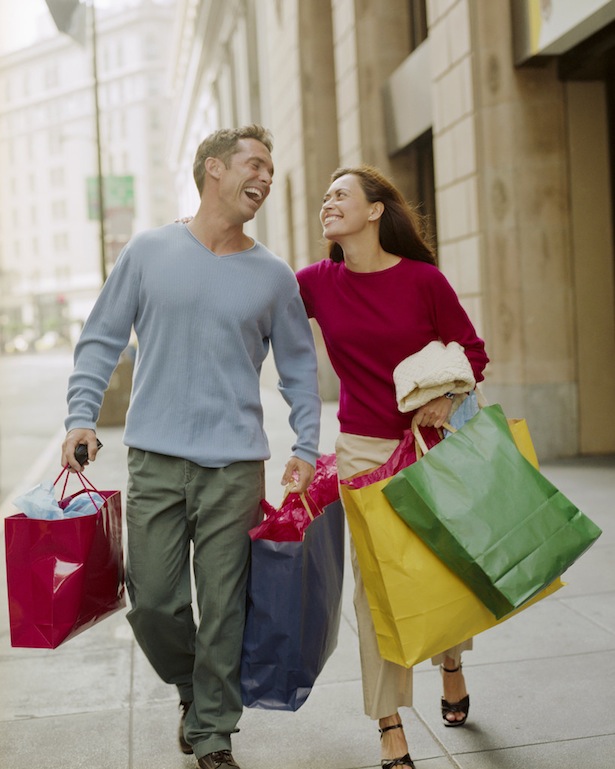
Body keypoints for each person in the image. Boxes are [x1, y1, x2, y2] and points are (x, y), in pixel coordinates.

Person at [61, 125, 321, 769]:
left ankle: (213, 732)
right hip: (155, 459)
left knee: (226, 604)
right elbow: (100, 339)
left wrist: (307, 447)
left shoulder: (273, 276)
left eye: (269, 166)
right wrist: (80, 417)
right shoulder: (149, 251)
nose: (263, 177)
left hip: (235, 465)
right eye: (252, 163)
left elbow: (298, 369)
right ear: (212, 169)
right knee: (154, 601)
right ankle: (193, 688)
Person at [296, 165, 489, 769]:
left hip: (434, 444)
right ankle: (389, 724)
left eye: (341, 195)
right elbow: (251, 296)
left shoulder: (424, 281)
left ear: (376, 210)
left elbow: (473, 352)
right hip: (362, 449)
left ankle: (450, 662)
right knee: (376, 586)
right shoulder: (316, 283)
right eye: (325, 197)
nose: (329, 203)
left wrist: (444, 398)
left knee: (445, 573)